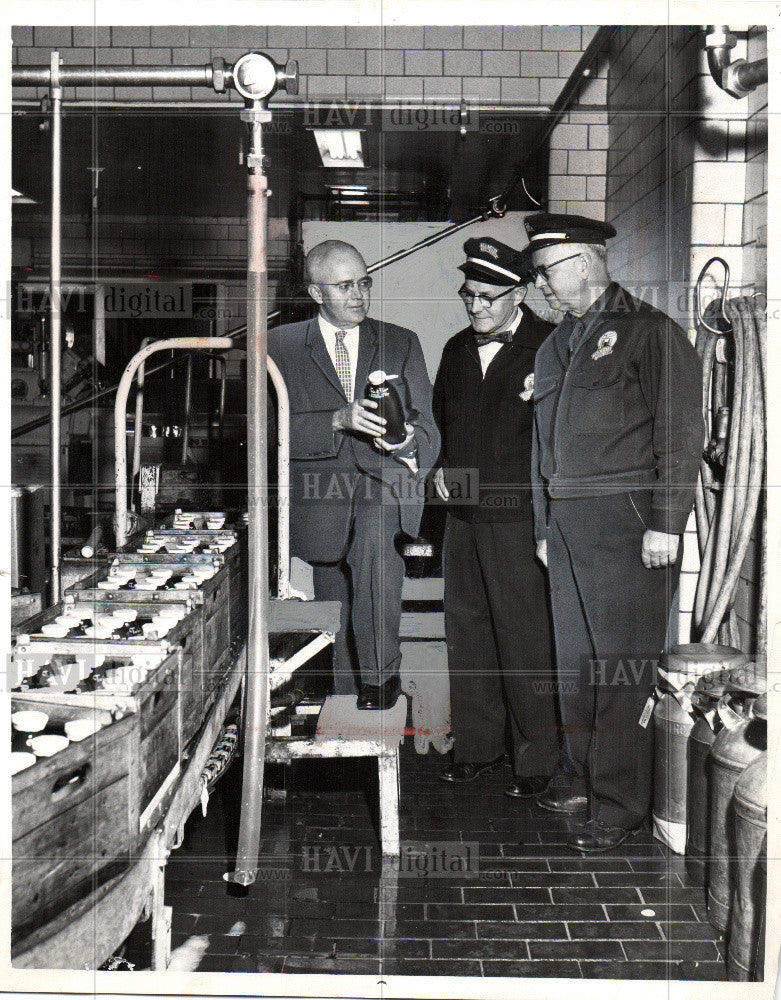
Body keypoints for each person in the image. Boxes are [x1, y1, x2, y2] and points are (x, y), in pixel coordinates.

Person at [526, 212, 704, 852]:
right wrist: (545, 524)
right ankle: (580, 774)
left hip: (627, 520)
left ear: (581, 261)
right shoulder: (556, 346)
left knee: (621, 666)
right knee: (575, 664)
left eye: (546, 272)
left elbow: (680, 433)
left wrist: (666, 522)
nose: (541, 287)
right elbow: (543, 444)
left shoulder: (649, 331)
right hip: (568, 520)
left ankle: (621, 804)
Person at [268, 240, 440, 710]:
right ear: (315, 292)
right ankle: (347, 696)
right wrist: (335, 420)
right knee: (336, 599)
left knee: (374, 544)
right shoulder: (279, 346)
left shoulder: (401, 340)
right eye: (345, 285)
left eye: (364, 281)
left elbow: (427, 428)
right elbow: (262, 433)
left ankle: (381, 678)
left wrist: (403, 443)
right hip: (319, 493)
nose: (360, 293)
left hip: (384, 482)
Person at [432, 237, 559, 795]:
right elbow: (441, 426)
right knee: (468, 634)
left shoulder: (551, 347)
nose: (476, 307)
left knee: (525, 637)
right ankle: (478, 747)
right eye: (469, 296)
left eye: (488, 297)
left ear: (521, 291)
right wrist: (438, 468)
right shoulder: (456, 350)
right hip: (462, 516)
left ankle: (537, 759)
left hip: (517, 518)